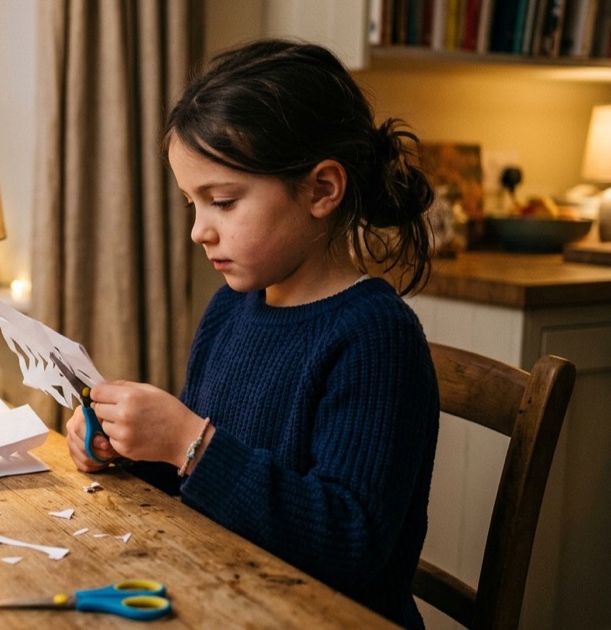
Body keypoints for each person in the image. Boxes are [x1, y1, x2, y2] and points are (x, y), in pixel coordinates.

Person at [65, 39, 440, 629]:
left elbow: (349, 546)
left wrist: (189, 441)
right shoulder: (230, 310)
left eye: (222, 202)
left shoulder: (374, 336)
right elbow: (206, 485)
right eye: (192, 203)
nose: (198, 232)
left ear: (321, 189)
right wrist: (131, 448)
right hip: (228, 597)